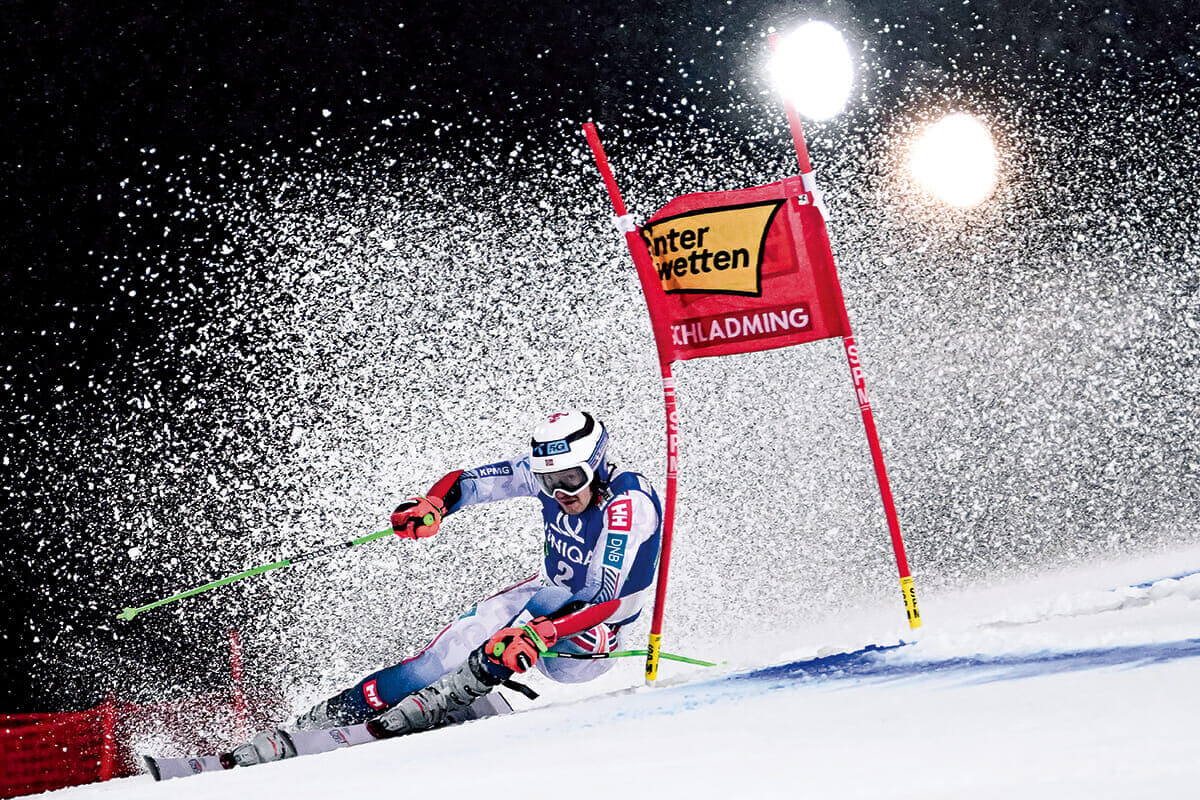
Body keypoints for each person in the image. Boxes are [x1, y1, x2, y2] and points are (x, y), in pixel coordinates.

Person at [231, 410, 662, 764]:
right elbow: (470, 482)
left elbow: (608, 601)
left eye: (571, 479)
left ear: (598, 464)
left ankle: (444, 699)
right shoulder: (550, 477)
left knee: (516, 629)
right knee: (440, 656)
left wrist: (542, 632)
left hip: (590, 637)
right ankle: (321, 721)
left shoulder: (628, 506)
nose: (561, 492)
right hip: (545, 599)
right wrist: (435, 505)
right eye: (549, 482)